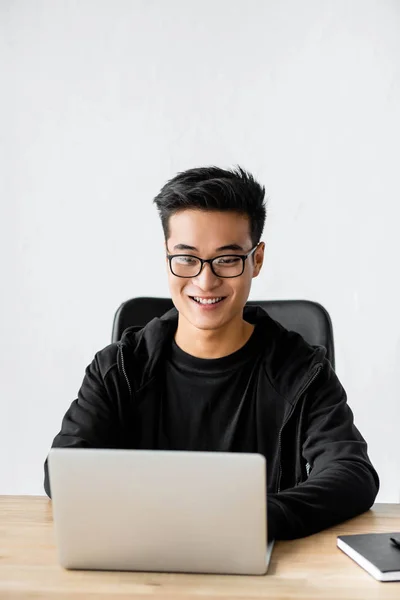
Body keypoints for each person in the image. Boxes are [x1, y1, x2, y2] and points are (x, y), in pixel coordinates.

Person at [44, 166, 379, 540]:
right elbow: (63, 471)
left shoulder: (302, 371)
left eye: (227, 259)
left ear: (257, 259)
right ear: (167, 255)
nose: (205, 280)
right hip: (139, 562)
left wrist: (253, 519)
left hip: (262, 568)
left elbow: (352, 473)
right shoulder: (119, 368)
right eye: (186, 258)